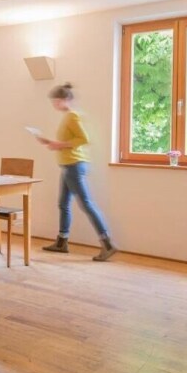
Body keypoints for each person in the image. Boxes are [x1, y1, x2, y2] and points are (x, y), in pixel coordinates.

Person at [36, 83, 117, 261]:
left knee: (86, 204)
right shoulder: (67, 117)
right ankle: (61, 242)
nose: (54, 104)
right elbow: (68, 142)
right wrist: (50, 142)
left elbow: (83, 139)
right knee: (63, 204)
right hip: (68, 166)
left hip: (74, 166)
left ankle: (107, 243)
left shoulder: (73, 116)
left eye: (57, 101)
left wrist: (59, 145)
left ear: (66, 99)